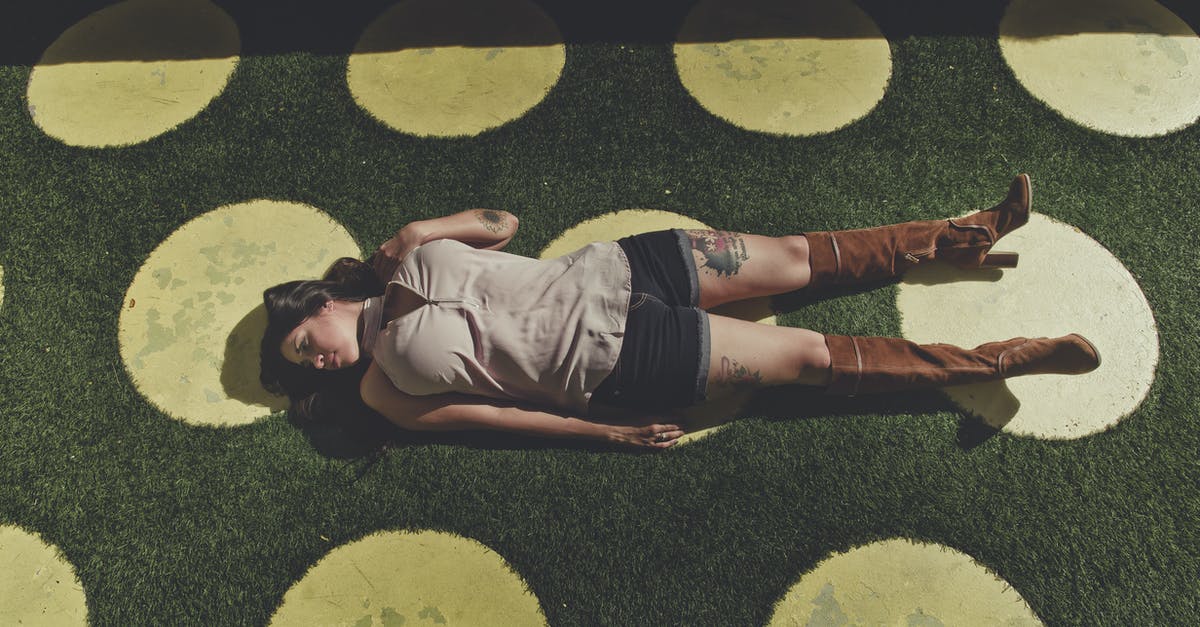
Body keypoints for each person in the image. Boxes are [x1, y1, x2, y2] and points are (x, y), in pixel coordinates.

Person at [259, 175, 1100, 450]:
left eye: (306, 341)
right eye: (307, 366)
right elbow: (492, 416)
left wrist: (419, 230)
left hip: (623, 263)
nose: (319, 359)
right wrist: (607, 433)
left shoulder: (405, 254)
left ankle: (960, 235)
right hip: (617, 358)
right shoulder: (381, 389)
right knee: (806, 354)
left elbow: (504, 227)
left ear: (322, 302)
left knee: (798, 256)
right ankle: (994, 361)